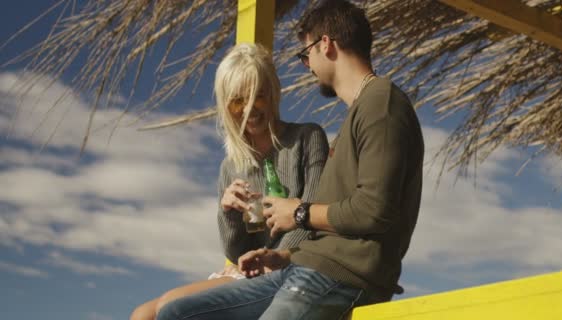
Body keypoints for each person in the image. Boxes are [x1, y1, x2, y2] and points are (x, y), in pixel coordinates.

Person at [156, 1, 424, 319]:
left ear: (325, 44)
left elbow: (373, 211)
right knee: (175, 313)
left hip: (339, 277)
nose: (305, 64)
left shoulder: (381, 105)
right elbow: (334, 228)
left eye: (304, 54)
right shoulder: (361, 112)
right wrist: (282, 256)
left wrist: (297, 212)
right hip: (302, 268)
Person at [129, 43, 329, 320]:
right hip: (250, 272)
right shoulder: (231, 165)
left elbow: (313, 214)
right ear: (226, 104)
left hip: (293, 264)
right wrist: (229, 214)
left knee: (168, 309)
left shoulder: (306, 138)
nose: (249, 109)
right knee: (141, 314)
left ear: (273, 92)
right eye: (237, 100)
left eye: (258, 96)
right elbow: (236, 252)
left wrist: (270, 257)